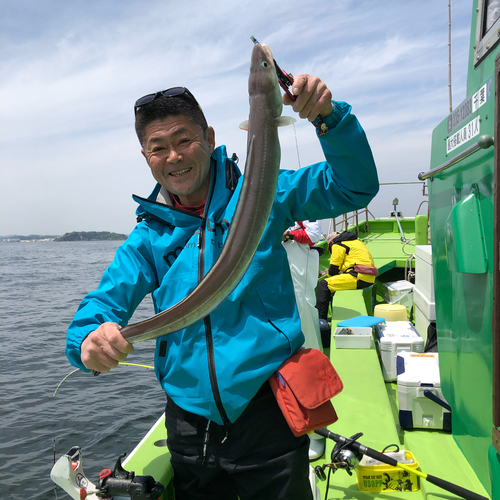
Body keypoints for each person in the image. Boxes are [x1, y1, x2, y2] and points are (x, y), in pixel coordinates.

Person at [66, 70, 378, 499]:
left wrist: (328, 118)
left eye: (184, 140)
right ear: (146, 157)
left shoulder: (264, 190)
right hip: (189, 425)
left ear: (209, 137)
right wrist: (87, 341)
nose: (173, 156)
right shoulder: (149, 237)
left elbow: (354, 186)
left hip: (267, 410)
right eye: (158, 148)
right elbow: (101, 305)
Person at [315, 231, 377, 321]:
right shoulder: (357, 242)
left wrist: (329, 276)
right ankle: (332, 316)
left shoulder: (337, 245)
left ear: (331, 243)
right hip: (369, 277)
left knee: (324, 285)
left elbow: (334, 268)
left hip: (358, 277)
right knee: (334, 286)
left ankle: (321, 320)